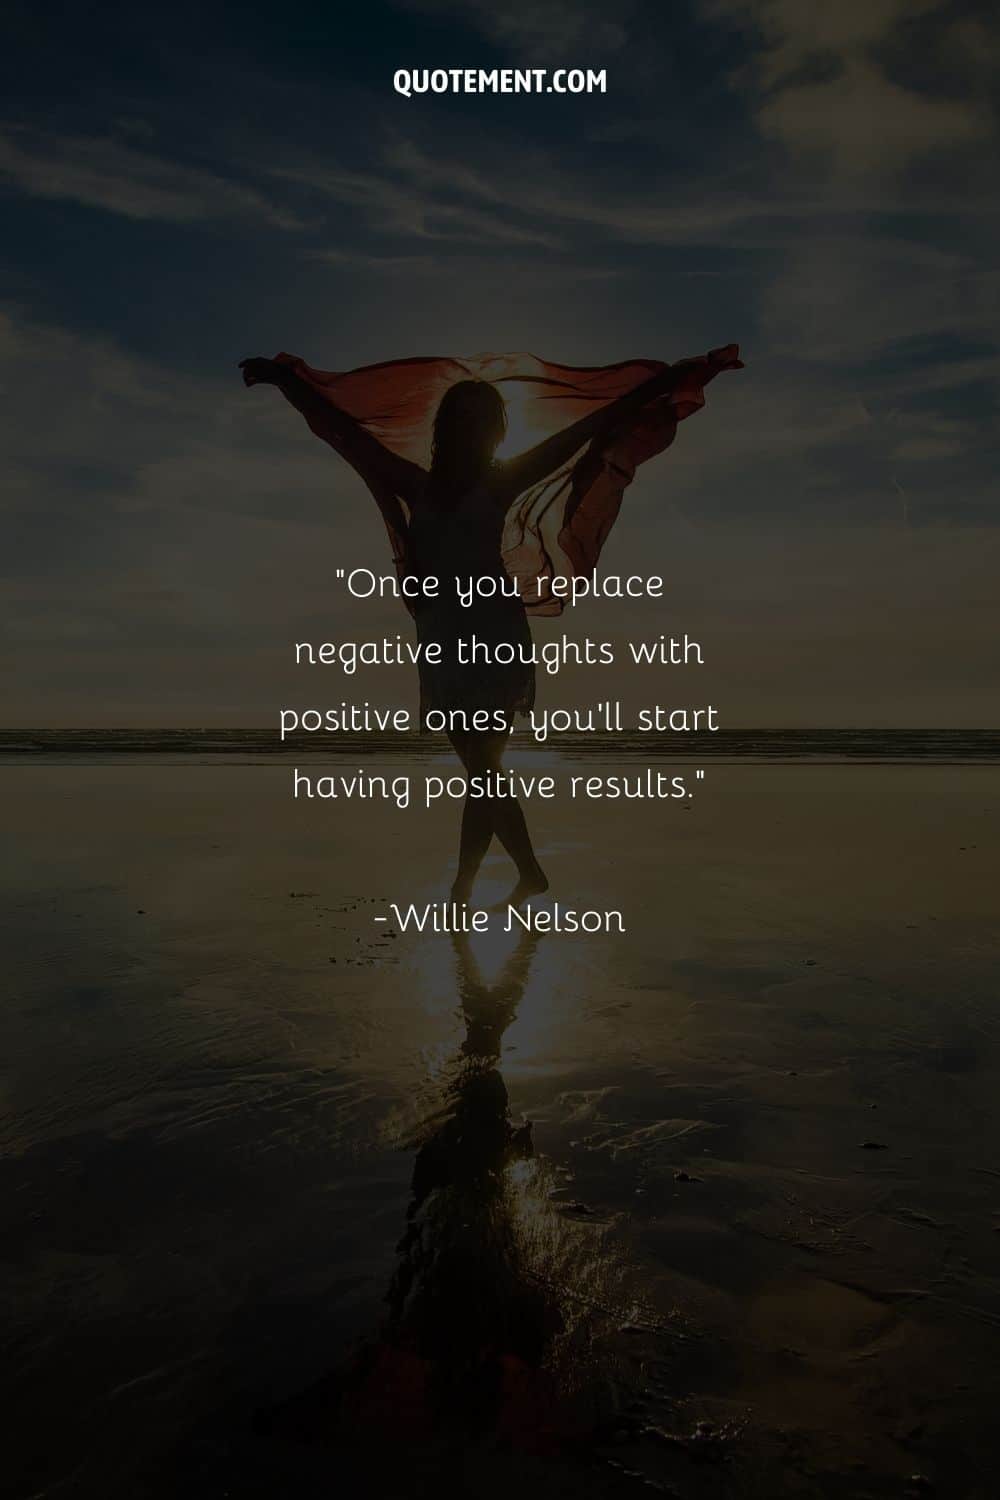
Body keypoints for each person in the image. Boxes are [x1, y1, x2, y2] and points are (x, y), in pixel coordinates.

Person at [240, 343, 741, 905]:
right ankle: (473, 884)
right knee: (483, 770)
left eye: (485, 422)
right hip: (442, 637)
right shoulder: (415, 484)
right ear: (447, 428)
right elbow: (348, 437)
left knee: (482, 769)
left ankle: (516, 876)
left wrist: (671, 380)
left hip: (492, 634)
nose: (474, 432)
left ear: (496, 433)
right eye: (464, 420)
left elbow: (591, 428)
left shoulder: (501, 483)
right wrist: (288, 385)